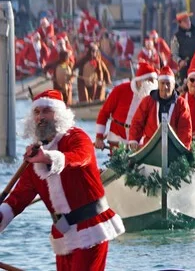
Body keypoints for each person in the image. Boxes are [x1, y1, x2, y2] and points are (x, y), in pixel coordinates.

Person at [0, 90, 125, 270]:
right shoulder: (34, 157)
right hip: (63, 236)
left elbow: (80, 157)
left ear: (58, 113)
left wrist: (49, 158)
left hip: (91, 230)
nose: (41, 118)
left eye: (46, 111)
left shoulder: (77, 137)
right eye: (37, 112)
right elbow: (17, 199)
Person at [94, 62, 157, 150]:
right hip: (117, 138)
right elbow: (104, 112)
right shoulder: (120, 90)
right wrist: (99, 137)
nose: (151, 84)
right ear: (139, 80)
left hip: (140, 142)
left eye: (153, 80)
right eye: (148, 80)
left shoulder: (154, 97)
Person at [128, 67, 192, 148]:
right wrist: (134, 140)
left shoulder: (181, 103)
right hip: (150, 146)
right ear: (158, 84)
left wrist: (184, 147)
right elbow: (137, 122)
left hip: (173, 147)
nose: (165, 87)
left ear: (173, 85)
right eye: (162, 83)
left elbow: (185, 128)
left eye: (168, 83)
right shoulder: (147, 101)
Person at [170, 12, 195, 82]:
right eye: (185, 21)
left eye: (188, 20)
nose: (188, 22)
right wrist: (179, 61)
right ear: (180, 23)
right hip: (185, 68)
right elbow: (174, 54)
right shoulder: (176, 37)